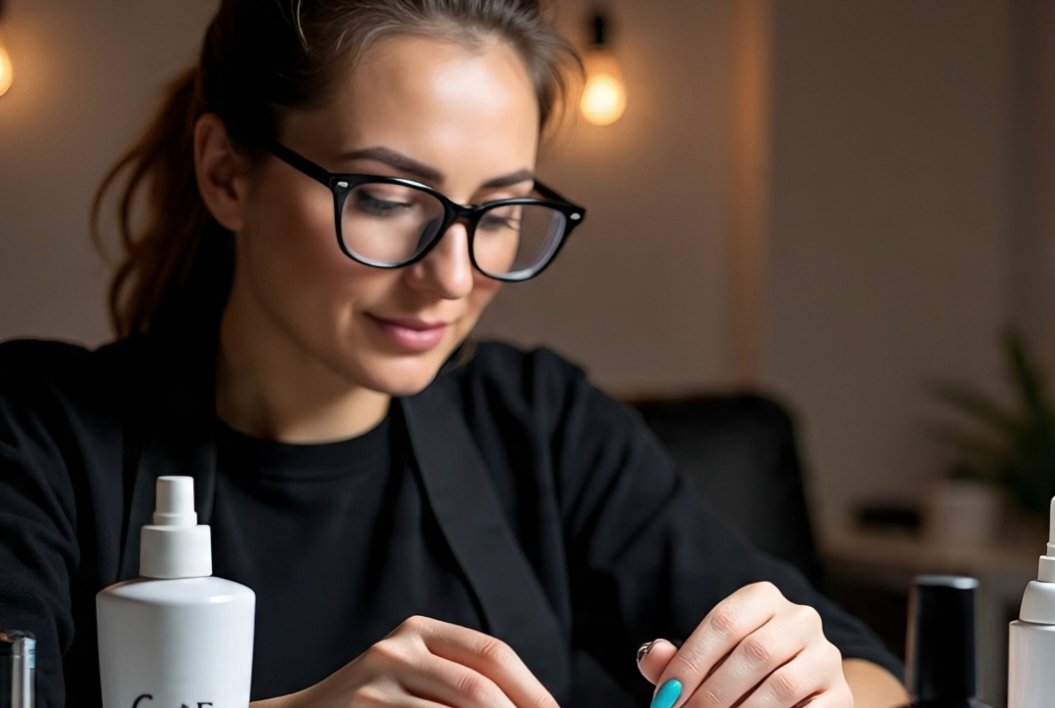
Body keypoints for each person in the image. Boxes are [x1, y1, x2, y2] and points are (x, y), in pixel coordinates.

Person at [0, 1, 908, 706]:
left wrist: (797, 678)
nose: (452, 276)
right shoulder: (40, 433)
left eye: (499, 214)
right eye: (390, 199)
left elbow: (870, 674)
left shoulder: (541, 426)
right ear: (227, 173)